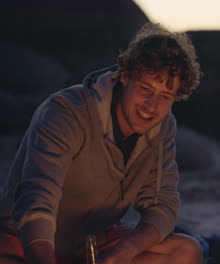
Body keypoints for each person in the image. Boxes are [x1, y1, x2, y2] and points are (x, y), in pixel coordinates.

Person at [0, 23, 203, 264]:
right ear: (126, 75)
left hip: (91, 247)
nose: (152, 105)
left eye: (165, 96)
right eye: (146, 89)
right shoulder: (67, 111)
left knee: (185, 251)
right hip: (25, 242)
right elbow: (37, 196)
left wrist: (126, 250)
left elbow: (162, 203)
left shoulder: (163, 127)